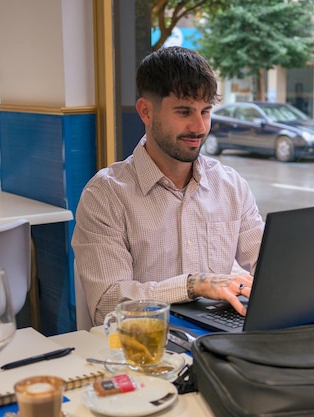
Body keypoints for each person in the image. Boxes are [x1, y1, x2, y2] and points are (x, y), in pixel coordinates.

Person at [72, 47, 265, 325]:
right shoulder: (105, 195)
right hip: (143, 347)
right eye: (184, 111)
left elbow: (268, 268)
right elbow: (106, 305)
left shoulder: (231, 185)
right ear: (146, 112)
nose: (199, 127)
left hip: (219, 341)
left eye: (206, 111)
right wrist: (192, 285)